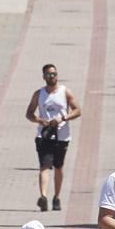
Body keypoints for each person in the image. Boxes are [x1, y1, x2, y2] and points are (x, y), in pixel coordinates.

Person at [25, 63, 81, 212]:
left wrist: (64, 118)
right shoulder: (39, 94)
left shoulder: (64, 92)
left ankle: (57, 197)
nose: (52, 76)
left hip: (62, 136)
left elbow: (77, 110)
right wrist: (40, 120)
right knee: (44, 166)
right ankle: (43, 196)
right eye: (49, 74)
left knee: (58, 167)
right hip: (44, 135)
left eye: (54, 74)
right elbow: (29, 113)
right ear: (44, 77)